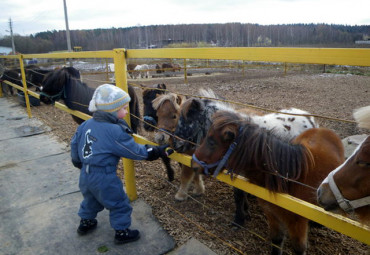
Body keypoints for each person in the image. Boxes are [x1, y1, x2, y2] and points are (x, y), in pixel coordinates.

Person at [70, 84, 169, 244]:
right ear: (112, 110)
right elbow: (135, 151)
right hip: (104, 176)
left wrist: (77, 161)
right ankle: (121, 232)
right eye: (123, 108)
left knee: (90, 199)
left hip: (85, 174)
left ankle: (85, 223)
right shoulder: (114, 132)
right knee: (119, 203)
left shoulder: (85, 125)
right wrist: (155, 152)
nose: (127, 111)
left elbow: (74, 145)